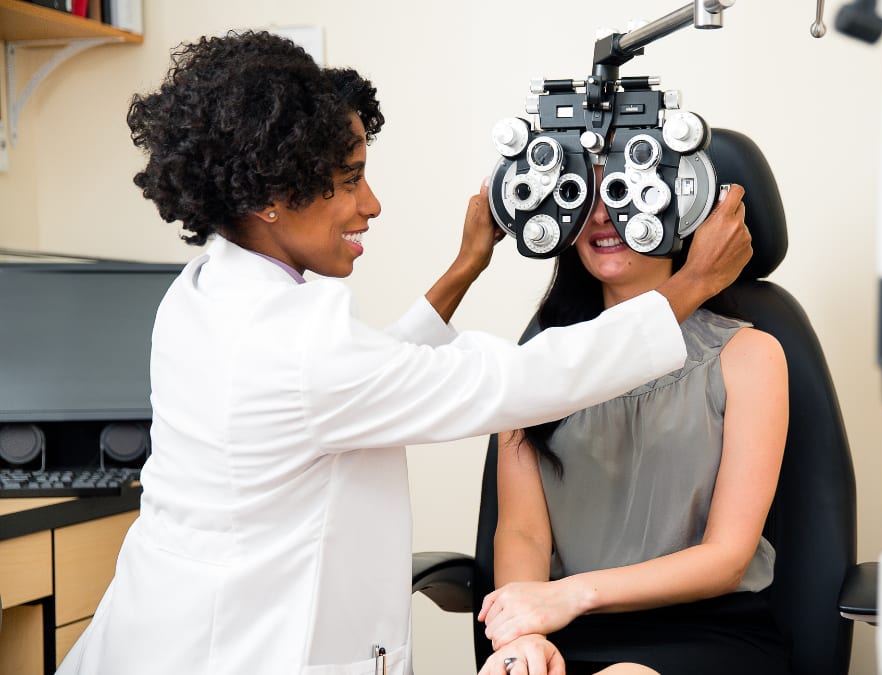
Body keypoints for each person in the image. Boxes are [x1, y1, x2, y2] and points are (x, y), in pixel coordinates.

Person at [56, 31, 753, 675]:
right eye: (351, 178)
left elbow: (363, 382)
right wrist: (692, 284)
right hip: (246, 648)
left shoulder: (206, 289)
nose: (373, 204)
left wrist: (464, 267)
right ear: (274, 195)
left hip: (160, 629)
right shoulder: (298, 347)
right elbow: (504, 381)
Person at [477, 167, 790, 675]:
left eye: (625, 191)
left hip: (707, 633)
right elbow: (522, 534)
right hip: (565, 630)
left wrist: (568, 596)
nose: (603, 213)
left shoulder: (749, 356)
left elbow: (727, 556)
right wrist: (525, 633)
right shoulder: (537, 366)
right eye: (584, 195)